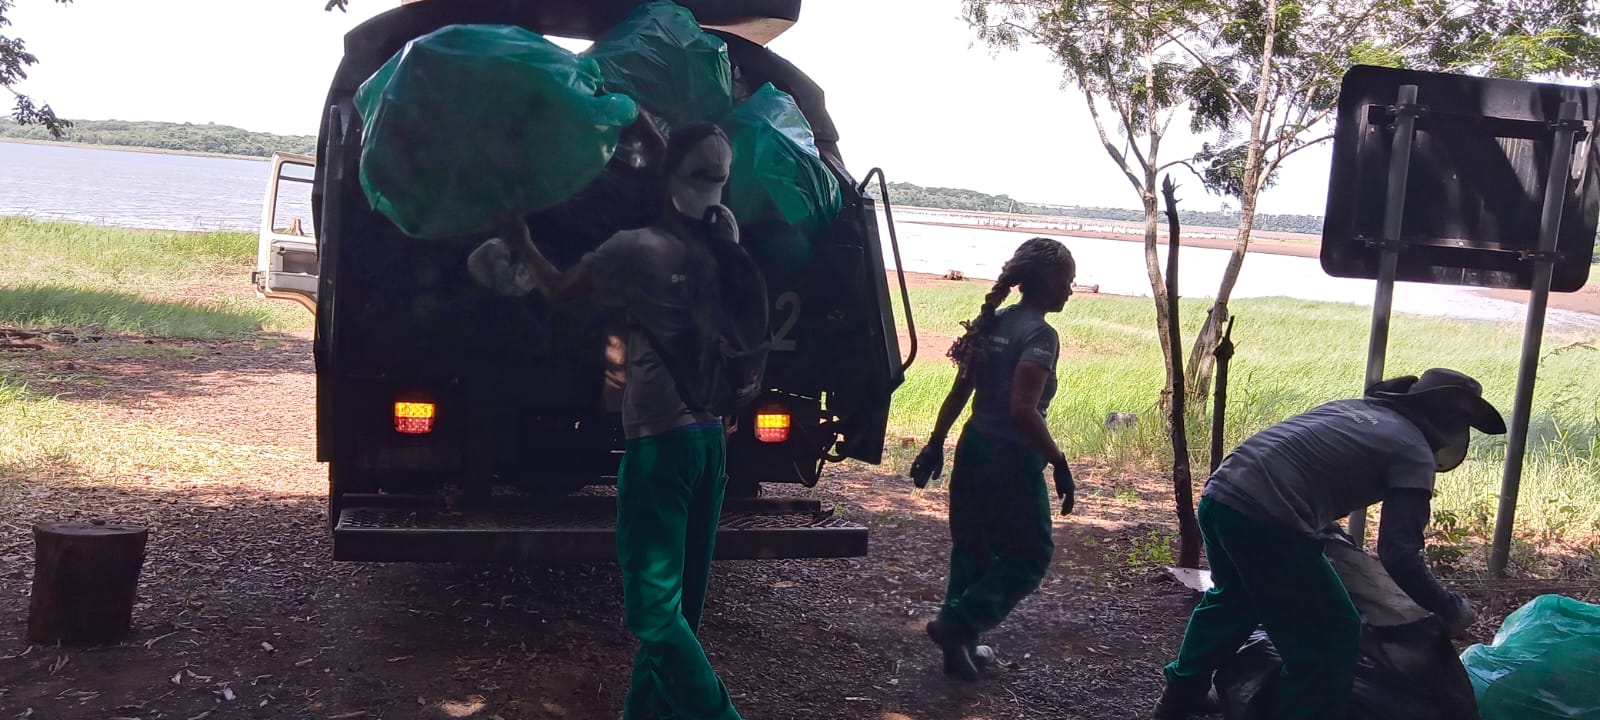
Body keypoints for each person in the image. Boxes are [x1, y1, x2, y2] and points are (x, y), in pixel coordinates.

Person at [489, 122, 744, 720]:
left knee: (653, 612)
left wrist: (521, 239)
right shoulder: (726, 231)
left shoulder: (635, 248)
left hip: (660, 445)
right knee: (684, 610)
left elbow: (557, 289)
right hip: (711, 440)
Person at [1153, 368, 1504, 720]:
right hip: (1267, 517)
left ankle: (1179, 698)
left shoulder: (1355, 410)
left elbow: (1303, 467)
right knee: (1332, 638)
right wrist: (1449, 608)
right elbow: (1399, 554)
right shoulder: (1414, 451)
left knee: (1232, 600)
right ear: (1448, 425)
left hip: (1221, 497)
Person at [909, 237, 1078, 681]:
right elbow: (1022, 410)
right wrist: (1058, 461)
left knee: (973, 548)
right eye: (1067, 280)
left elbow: (960, 392)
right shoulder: (1040, 334)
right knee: (1032, 555)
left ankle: (958, 648)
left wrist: (935, 441)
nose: (1070, 290)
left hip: (974, 448)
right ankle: (958, 625)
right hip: (1011, 459)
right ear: (1046, 282)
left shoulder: (993, 322)